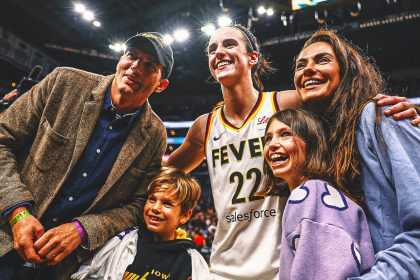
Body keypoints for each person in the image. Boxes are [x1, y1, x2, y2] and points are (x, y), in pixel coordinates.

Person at [166, 24, 418, 279]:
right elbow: (166, 172)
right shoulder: (204, 126)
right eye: (211, 49)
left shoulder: (286, 103)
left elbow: (340, 101)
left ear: (253, 57)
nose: (219, 52)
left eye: (229, 44)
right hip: (223, 266)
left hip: (282, 265)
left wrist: (396, 115)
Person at [0, 32, 173, 279]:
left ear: (160, 84)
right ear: (120, 59)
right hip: (5, 235)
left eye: (149, 65)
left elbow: (137, 206)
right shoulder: (64, 83)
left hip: (66, 267)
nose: (136, 67)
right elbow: (2, 140)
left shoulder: (155, 135)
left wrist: (82, 230)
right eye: (132, 56)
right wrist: (18, 212)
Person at [293, 28, 420, 279]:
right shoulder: (323, 147)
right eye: (300, 65)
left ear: (348, 71)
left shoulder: (381, 116)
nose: (307, 69)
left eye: (323, 60)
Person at [263, 108, 375, 279]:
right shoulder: (319, 193)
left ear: (312, 142)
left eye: (285, 134)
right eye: (268, 138)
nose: (272, 144)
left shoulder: (310, 196)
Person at [72, 167, 211, 280]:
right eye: (152, 199)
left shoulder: (191, 263)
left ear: (185, 215)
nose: (155, 208)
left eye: (167, 204)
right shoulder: (122, 242)